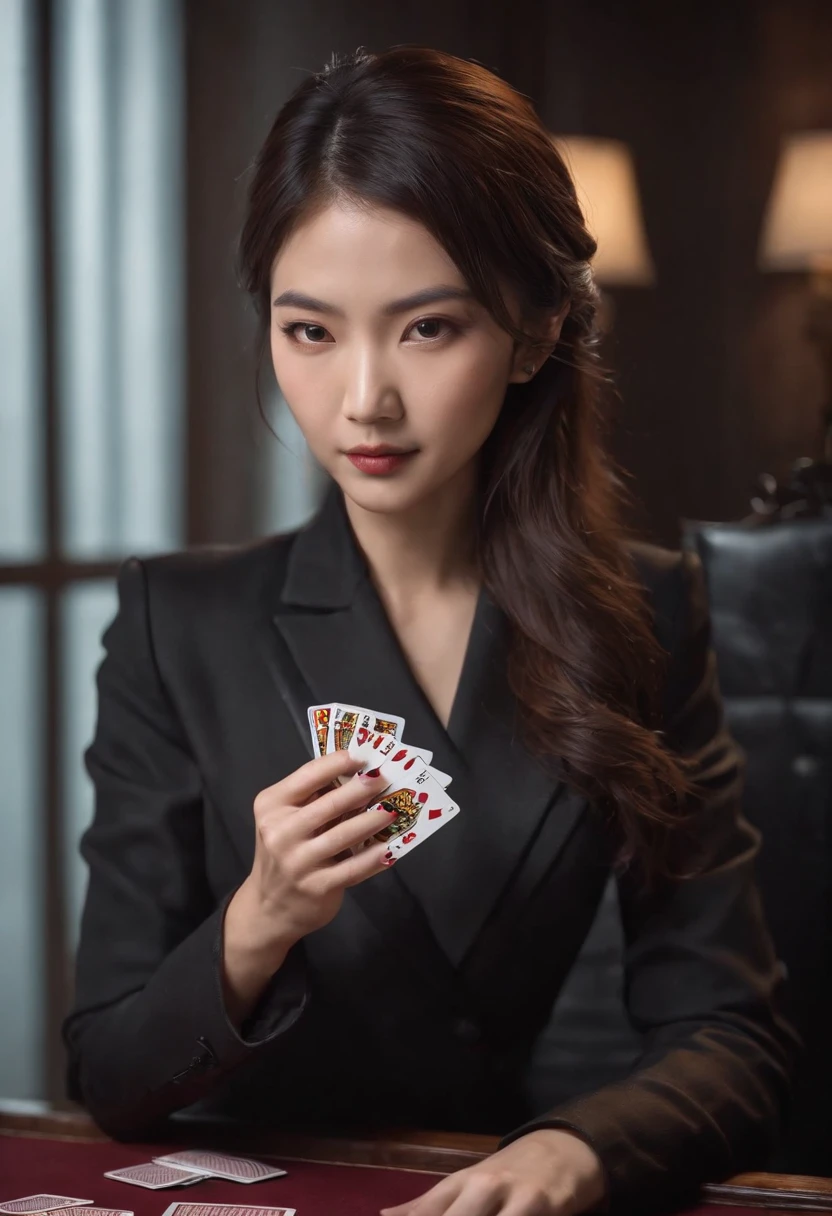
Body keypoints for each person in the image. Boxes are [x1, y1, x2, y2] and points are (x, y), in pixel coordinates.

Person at [63, 45, 798, 1216]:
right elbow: (107, 1074)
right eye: (310, 332)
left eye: (426, 328)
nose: (363, 399)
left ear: (537, 328)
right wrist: (258, 922)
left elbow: (729, 1035)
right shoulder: (178, 621)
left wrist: (578, 1149)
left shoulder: (643, 615)